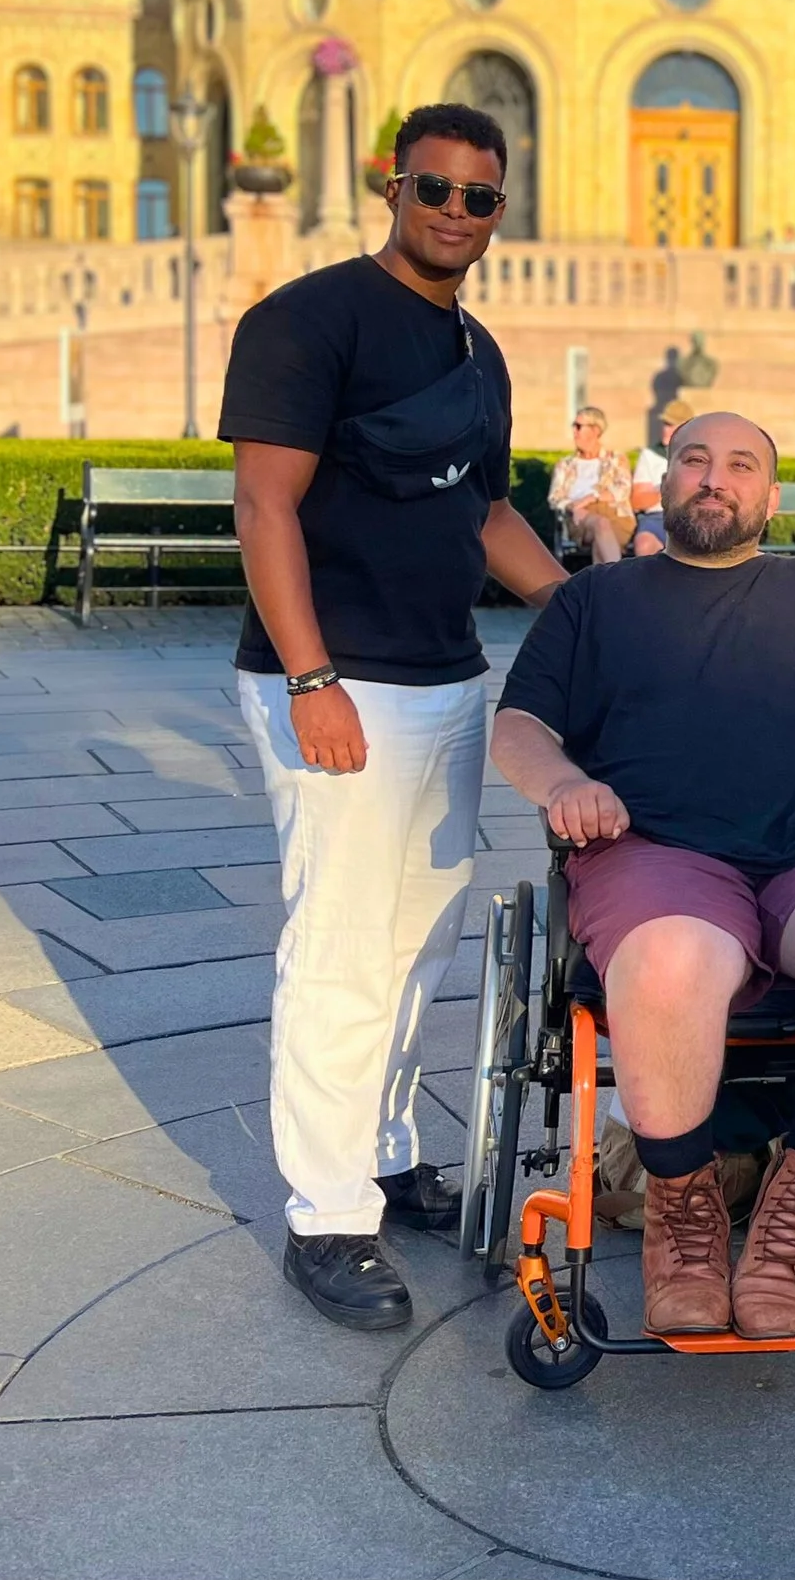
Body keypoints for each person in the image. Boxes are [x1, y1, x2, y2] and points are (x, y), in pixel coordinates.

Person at [491, 411, 795, 1340]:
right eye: (695, 460)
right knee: (670, 960)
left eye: (741, 465)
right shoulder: (599, 600)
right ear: (665, 481)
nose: (715, 478)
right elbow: (519, 726)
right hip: (656, 852)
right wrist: (567, 784)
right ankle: (684, 1211)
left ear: (768, 497)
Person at [221, 101, 568, 1333]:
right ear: (392, 186)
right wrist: (313, 682)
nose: (457, 215)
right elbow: (265, 510)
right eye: (436, 191)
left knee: (419, 939)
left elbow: (482, 514)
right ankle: (324, 1216)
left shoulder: (479, 353)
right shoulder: (307, 321)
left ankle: (379, 1148)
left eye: (481, 198)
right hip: (338, 684)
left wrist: (581, 613)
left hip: (446, 678)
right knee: (339, 947)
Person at [550, 406, 635, 564]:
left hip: (615, 514)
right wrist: (574, 506)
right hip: (580, 517)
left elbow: (623, 490)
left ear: (595, 430)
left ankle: (604, 588)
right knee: (601, 524)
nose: (574, 431)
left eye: (579, 426)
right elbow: (555, 498)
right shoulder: (565, 465)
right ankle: (623, 582)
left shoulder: (616, 459)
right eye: (574, 426)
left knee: (600, 541)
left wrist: (590, 498)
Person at [627, 397, 694, 555]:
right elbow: (637, 501)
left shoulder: (699, 456)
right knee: (644, 543)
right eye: (665, 424)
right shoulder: (650, 455)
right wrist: (669, 489)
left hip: (691, 517)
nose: (665, 429)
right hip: (657, 518)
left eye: (671, 425)